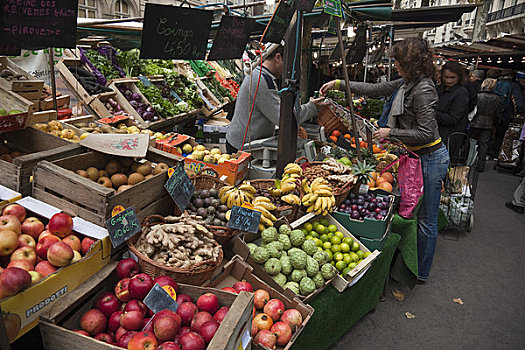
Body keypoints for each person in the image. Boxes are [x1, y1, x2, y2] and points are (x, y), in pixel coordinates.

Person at [320, 38, 449, 283]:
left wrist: (392, 133)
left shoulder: (423, 89)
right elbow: (376, 89)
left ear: (410, 63)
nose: (395, 64)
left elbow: (426, 133)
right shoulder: (407, 82)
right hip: (414, 157)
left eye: (398, 61)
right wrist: (339, 83)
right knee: (414, 212)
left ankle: (420, 272)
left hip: (431, 159)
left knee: (427, 219)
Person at [225, 46, 326, 153]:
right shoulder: (261, 80)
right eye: (286, 63)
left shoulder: (261, 75)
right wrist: (312, 107)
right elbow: (283, 118)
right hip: (241, 147)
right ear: (277, 58)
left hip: (246, 142)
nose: (287, 68)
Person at [435, 61, 470, 163]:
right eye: (446, 77)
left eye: (452, 77)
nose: (449, 80)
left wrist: (432, 114)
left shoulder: (461, 93)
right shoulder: (440, 89)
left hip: (449, 138)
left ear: (459, 77)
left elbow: (454, 119)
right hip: (437, 135)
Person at [469, 78, 502, 172]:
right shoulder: (496, 98)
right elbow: (498, 112)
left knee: (471, 142)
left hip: (475, 122)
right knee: (484, 145)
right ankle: (480, 166)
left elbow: (472, 108)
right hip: (488, 123)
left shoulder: (478, 96)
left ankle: (468, 161)